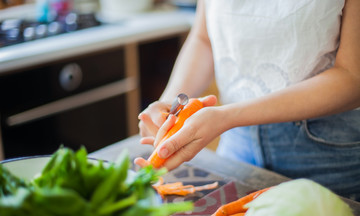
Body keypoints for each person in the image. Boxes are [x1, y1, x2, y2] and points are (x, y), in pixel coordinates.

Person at [135, 0, 360, 201]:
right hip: (236, 143)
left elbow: (353, 78)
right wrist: (169, 104)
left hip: (328, 153)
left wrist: (228, 116)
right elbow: (204, 39)